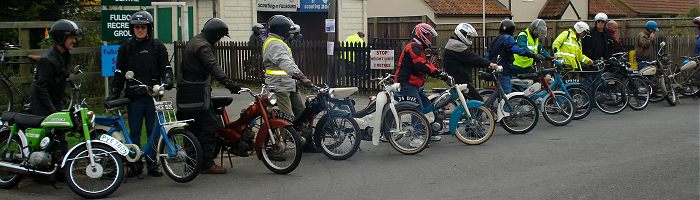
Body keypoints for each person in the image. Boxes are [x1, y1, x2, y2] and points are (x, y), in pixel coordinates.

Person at [107, 11, 170, 178]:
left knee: (153, 131)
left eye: (143, 27)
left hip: (152, 97)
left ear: (148, 28)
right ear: (132, 29)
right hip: (134, 97)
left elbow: (166, 67)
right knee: (134, 131)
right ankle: (135, 164)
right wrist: (115, 92)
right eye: (137, 27)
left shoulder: (157, 46)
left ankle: (152, 164)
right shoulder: (125, 47)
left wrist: (168, 80)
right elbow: (119, 72)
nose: (140, 30)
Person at [177, 18, 242, 174]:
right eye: (220, 36)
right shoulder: (203, 46)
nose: (219, 40)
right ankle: (206, 164)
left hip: (187, 93)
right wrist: (229, 84)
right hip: (196, 94)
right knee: (209, 126)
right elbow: (213, 66)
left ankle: (192, 164)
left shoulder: (196, 41)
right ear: (215, 34)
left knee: (192, 128)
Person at [394, 23, 441, 142]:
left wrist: (438, 72)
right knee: (417, 108)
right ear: (422, 34)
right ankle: (416, 138)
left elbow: (426, 63)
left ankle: (429, 129)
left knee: (428, 105)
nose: (430, 39)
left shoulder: (419, 47)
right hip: (406, 83)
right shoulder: (413, 46)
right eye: (429, 36)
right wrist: (435, 72)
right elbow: (420, 64)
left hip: (415, 84)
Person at [262, 15, 313, 125]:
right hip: (279, 86)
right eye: (288, 30)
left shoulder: (277, 42)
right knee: (287, 118)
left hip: (288, 84)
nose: (290, 33)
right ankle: (284, 140)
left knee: (302, 113)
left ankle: (303, 136)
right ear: (282, 30)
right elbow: (286, 63)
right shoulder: (274, 44)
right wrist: (302, 77)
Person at [30, 19, 81, 116]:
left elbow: (60, 77)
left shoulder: (64, 54)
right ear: (60, 38)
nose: (74, 41)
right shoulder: (48, 60)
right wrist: (52, 110)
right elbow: (40, 87)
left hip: (56, 103)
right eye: (71, 38)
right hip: (43, 108)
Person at [443, 22, 499, 102]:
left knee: (469, 101)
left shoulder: (455, 43)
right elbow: (472, 58)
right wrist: (489, 64)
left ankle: (469, 114)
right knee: (477, 100)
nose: (470, 39)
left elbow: (469, 60)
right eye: (469, 37)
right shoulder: (456, 45)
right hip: (460, 80)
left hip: (459, 78)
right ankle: (474, 114)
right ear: (461, 34)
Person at [486, 19, 544, 94]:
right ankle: (500, 106)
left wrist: (488, 65)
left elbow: (488, 54)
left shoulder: (495, 39)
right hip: (503, 70)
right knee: (507, 94)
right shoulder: (508, 38)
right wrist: (533, 55)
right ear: (512, 30)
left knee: (500, 91)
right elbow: (518, 50)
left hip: (493, 68)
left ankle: (491, 105)